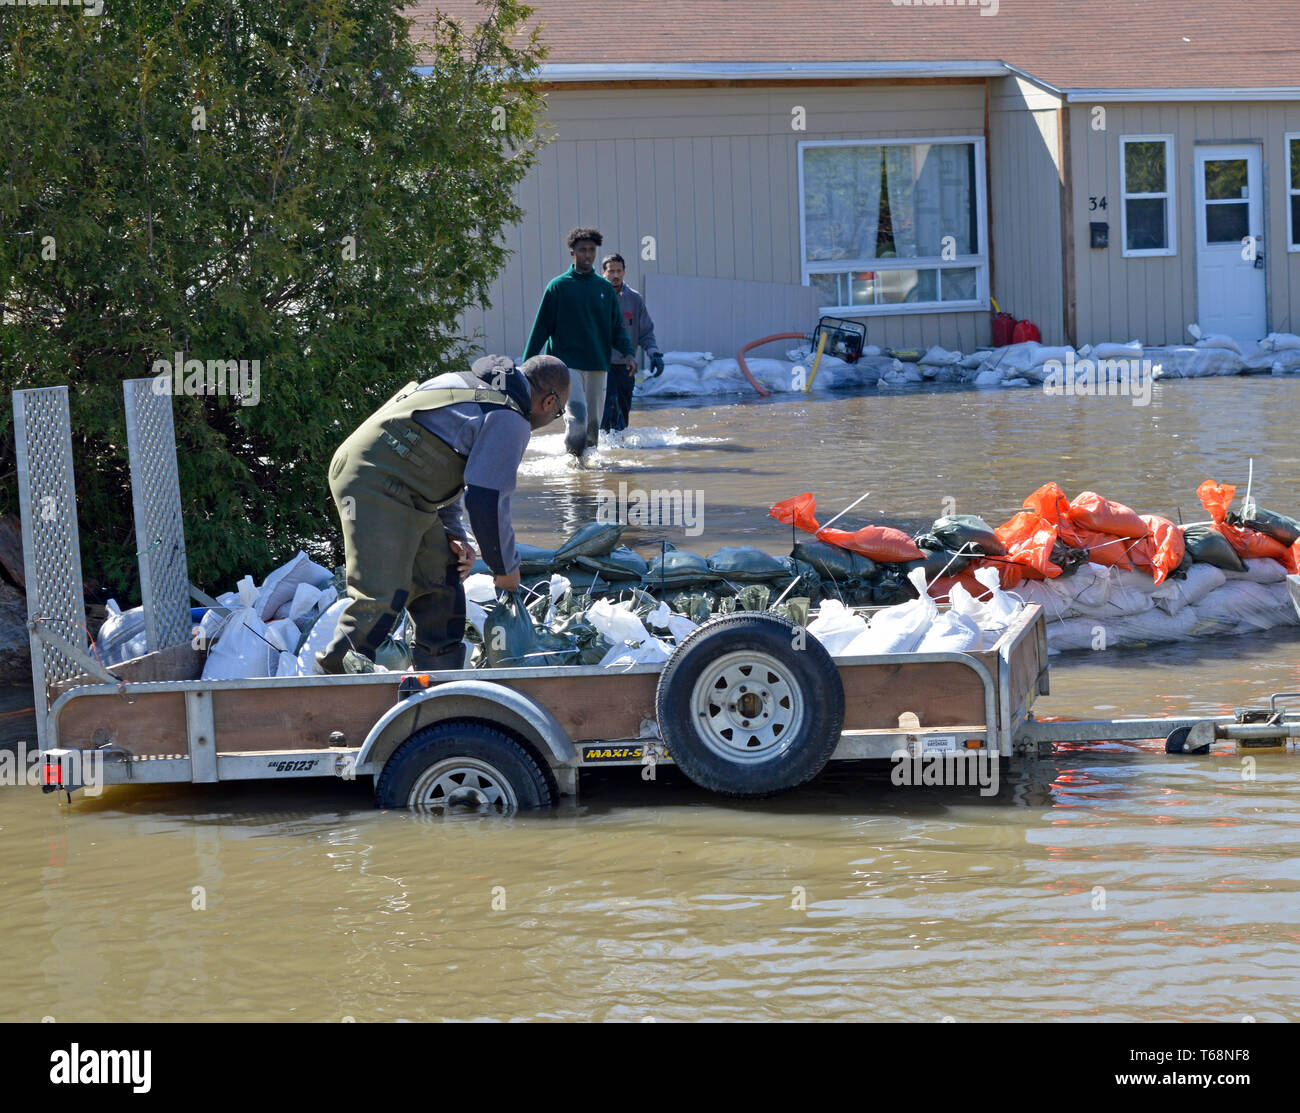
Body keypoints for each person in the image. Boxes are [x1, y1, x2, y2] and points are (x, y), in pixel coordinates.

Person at [317, 354, 570, 674]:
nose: (552, 417)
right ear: (548, 402)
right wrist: (504, 568)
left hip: (402, 487)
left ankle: (436, 690)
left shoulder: (473, 386)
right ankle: (327, 692)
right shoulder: (511, 417)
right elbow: (486, 499)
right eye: (558, 413)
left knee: (441, 588)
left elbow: (444, 460)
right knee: (382, 598)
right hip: (376, 482)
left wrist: (454, 533)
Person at [523, 227, 635, 458]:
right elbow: (541, 328)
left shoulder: (604, 288)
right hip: (566, 366)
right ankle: (572, 464)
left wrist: (629, 353)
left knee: (593, 427)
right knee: (578, 418)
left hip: (598, 365)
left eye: (591, 250)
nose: (587, 255)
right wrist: (526, 367)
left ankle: (587, 472)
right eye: (582, 250)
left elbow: (617, 328)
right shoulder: (558, 287)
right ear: (572, 253)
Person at [599, 253, 664, 433]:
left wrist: (654, 353)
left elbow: (645, 332)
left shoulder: (635, 299)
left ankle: (620, 454)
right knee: (607, 412)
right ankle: (602, 452)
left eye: (619, 271)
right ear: (603, 272)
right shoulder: (596, 296)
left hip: (626, 367)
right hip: (600, 367)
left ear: (625, 272)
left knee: (622, 416)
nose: (615, 275)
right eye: (611, 271)